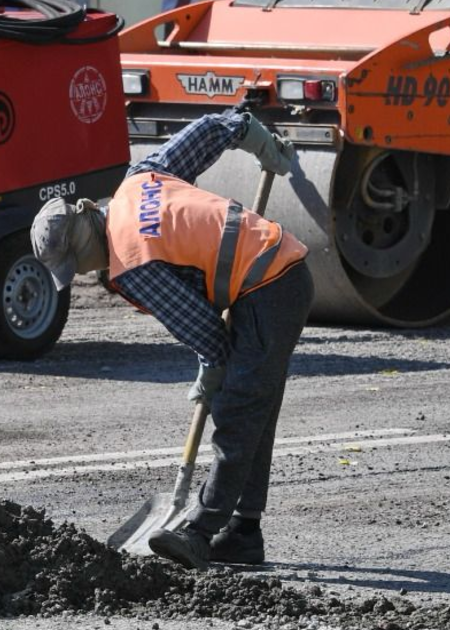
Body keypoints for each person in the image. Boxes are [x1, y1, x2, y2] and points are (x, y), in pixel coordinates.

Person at [30, 107, 311, 569]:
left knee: (239, 408)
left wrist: (211, 369)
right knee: (255, 404)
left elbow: (205, 334)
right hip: (273, 271)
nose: (84, 273)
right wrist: (253, 135)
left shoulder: (132, 263)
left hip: (269, 284)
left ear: (83, 245)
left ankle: (200, 531)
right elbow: (209, 129)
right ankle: (243, 532)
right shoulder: (138, 181)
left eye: (76, 267)